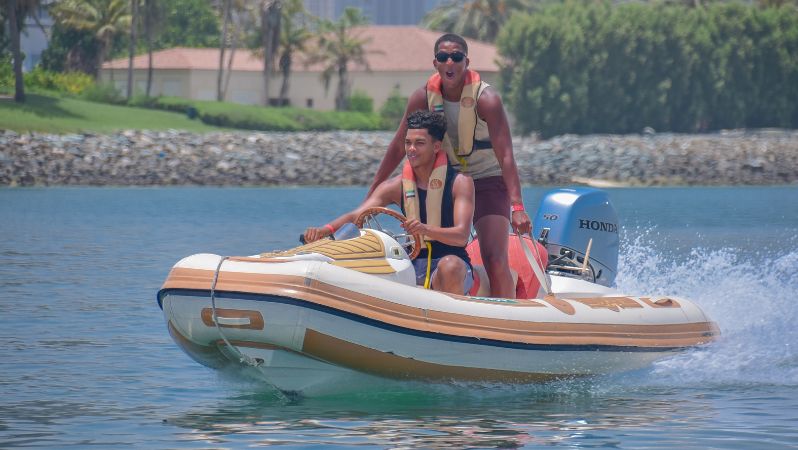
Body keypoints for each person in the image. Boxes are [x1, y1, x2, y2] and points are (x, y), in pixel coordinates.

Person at [366, 33, 531, 299]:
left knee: (494, 255)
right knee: (427, 250)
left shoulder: (487, 99)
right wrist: (373, 192)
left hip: (487, 179)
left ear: (467, 62)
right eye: (444, 57)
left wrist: (518, 207)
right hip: (447, 181)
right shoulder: (422, 98)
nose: (450, 62)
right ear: (436, 63)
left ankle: (507, 321)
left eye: (456, 57)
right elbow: (399, 146)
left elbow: (506, 155)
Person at [304, 110, 475, 295]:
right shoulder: (395, 186)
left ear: (436, 147)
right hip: (413, 261)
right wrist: (325, 230)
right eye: (408, 143)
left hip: (452, 261)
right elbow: (357, 215)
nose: (411, 149)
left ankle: (448, 318)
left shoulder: (460, 183)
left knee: (449, 266)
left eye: (419, 143)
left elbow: (461, 236)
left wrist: (425, 229)